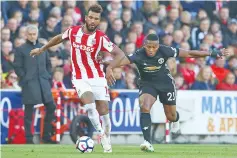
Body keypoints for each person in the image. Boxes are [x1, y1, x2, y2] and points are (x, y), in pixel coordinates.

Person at [105, 33, 229, 152]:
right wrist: (109, 66)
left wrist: (212, 53)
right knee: (144, 105)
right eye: (149, 47)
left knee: (171, 115)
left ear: (158, 46)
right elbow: (120, 61)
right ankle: (147, 142)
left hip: (166, 84)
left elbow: (189, 53)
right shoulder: (138, 54)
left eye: (154, 47)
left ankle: (176, 120)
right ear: (144, 45)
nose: (151, 50)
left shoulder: (165, 50)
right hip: (148, 84)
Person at [29, 4, 125, 153]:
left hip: (97, 77)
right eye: (91, 17)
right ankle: (102, 136)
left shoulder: (101, 38)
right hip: (80, 78)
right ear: (86, 18)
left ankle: (107, 134)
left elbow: (120, 54)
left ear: (99, 21)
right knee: (90, 106)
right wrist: (42, 49)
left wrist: (110, 67)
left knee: (104, 111)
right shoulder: (74, 32)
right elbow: (58, 38)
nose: (93, 21)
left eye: (96, 19)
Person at [13, 25, 56, 144]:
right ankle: (28, 139)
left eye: (34, 34)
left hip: (43, 82)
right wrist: (25, 77)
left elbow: (48, 64)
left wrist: (47, 76)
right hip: (29, 83)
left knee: (51, 107)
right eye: (30, 34)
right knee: (28, 112)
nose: (32, 36)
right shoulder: (21, 49)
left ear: (37, 34)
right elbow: (17, 66)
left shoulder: (43, 48)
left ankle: (46, 137)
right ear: (26, 35)